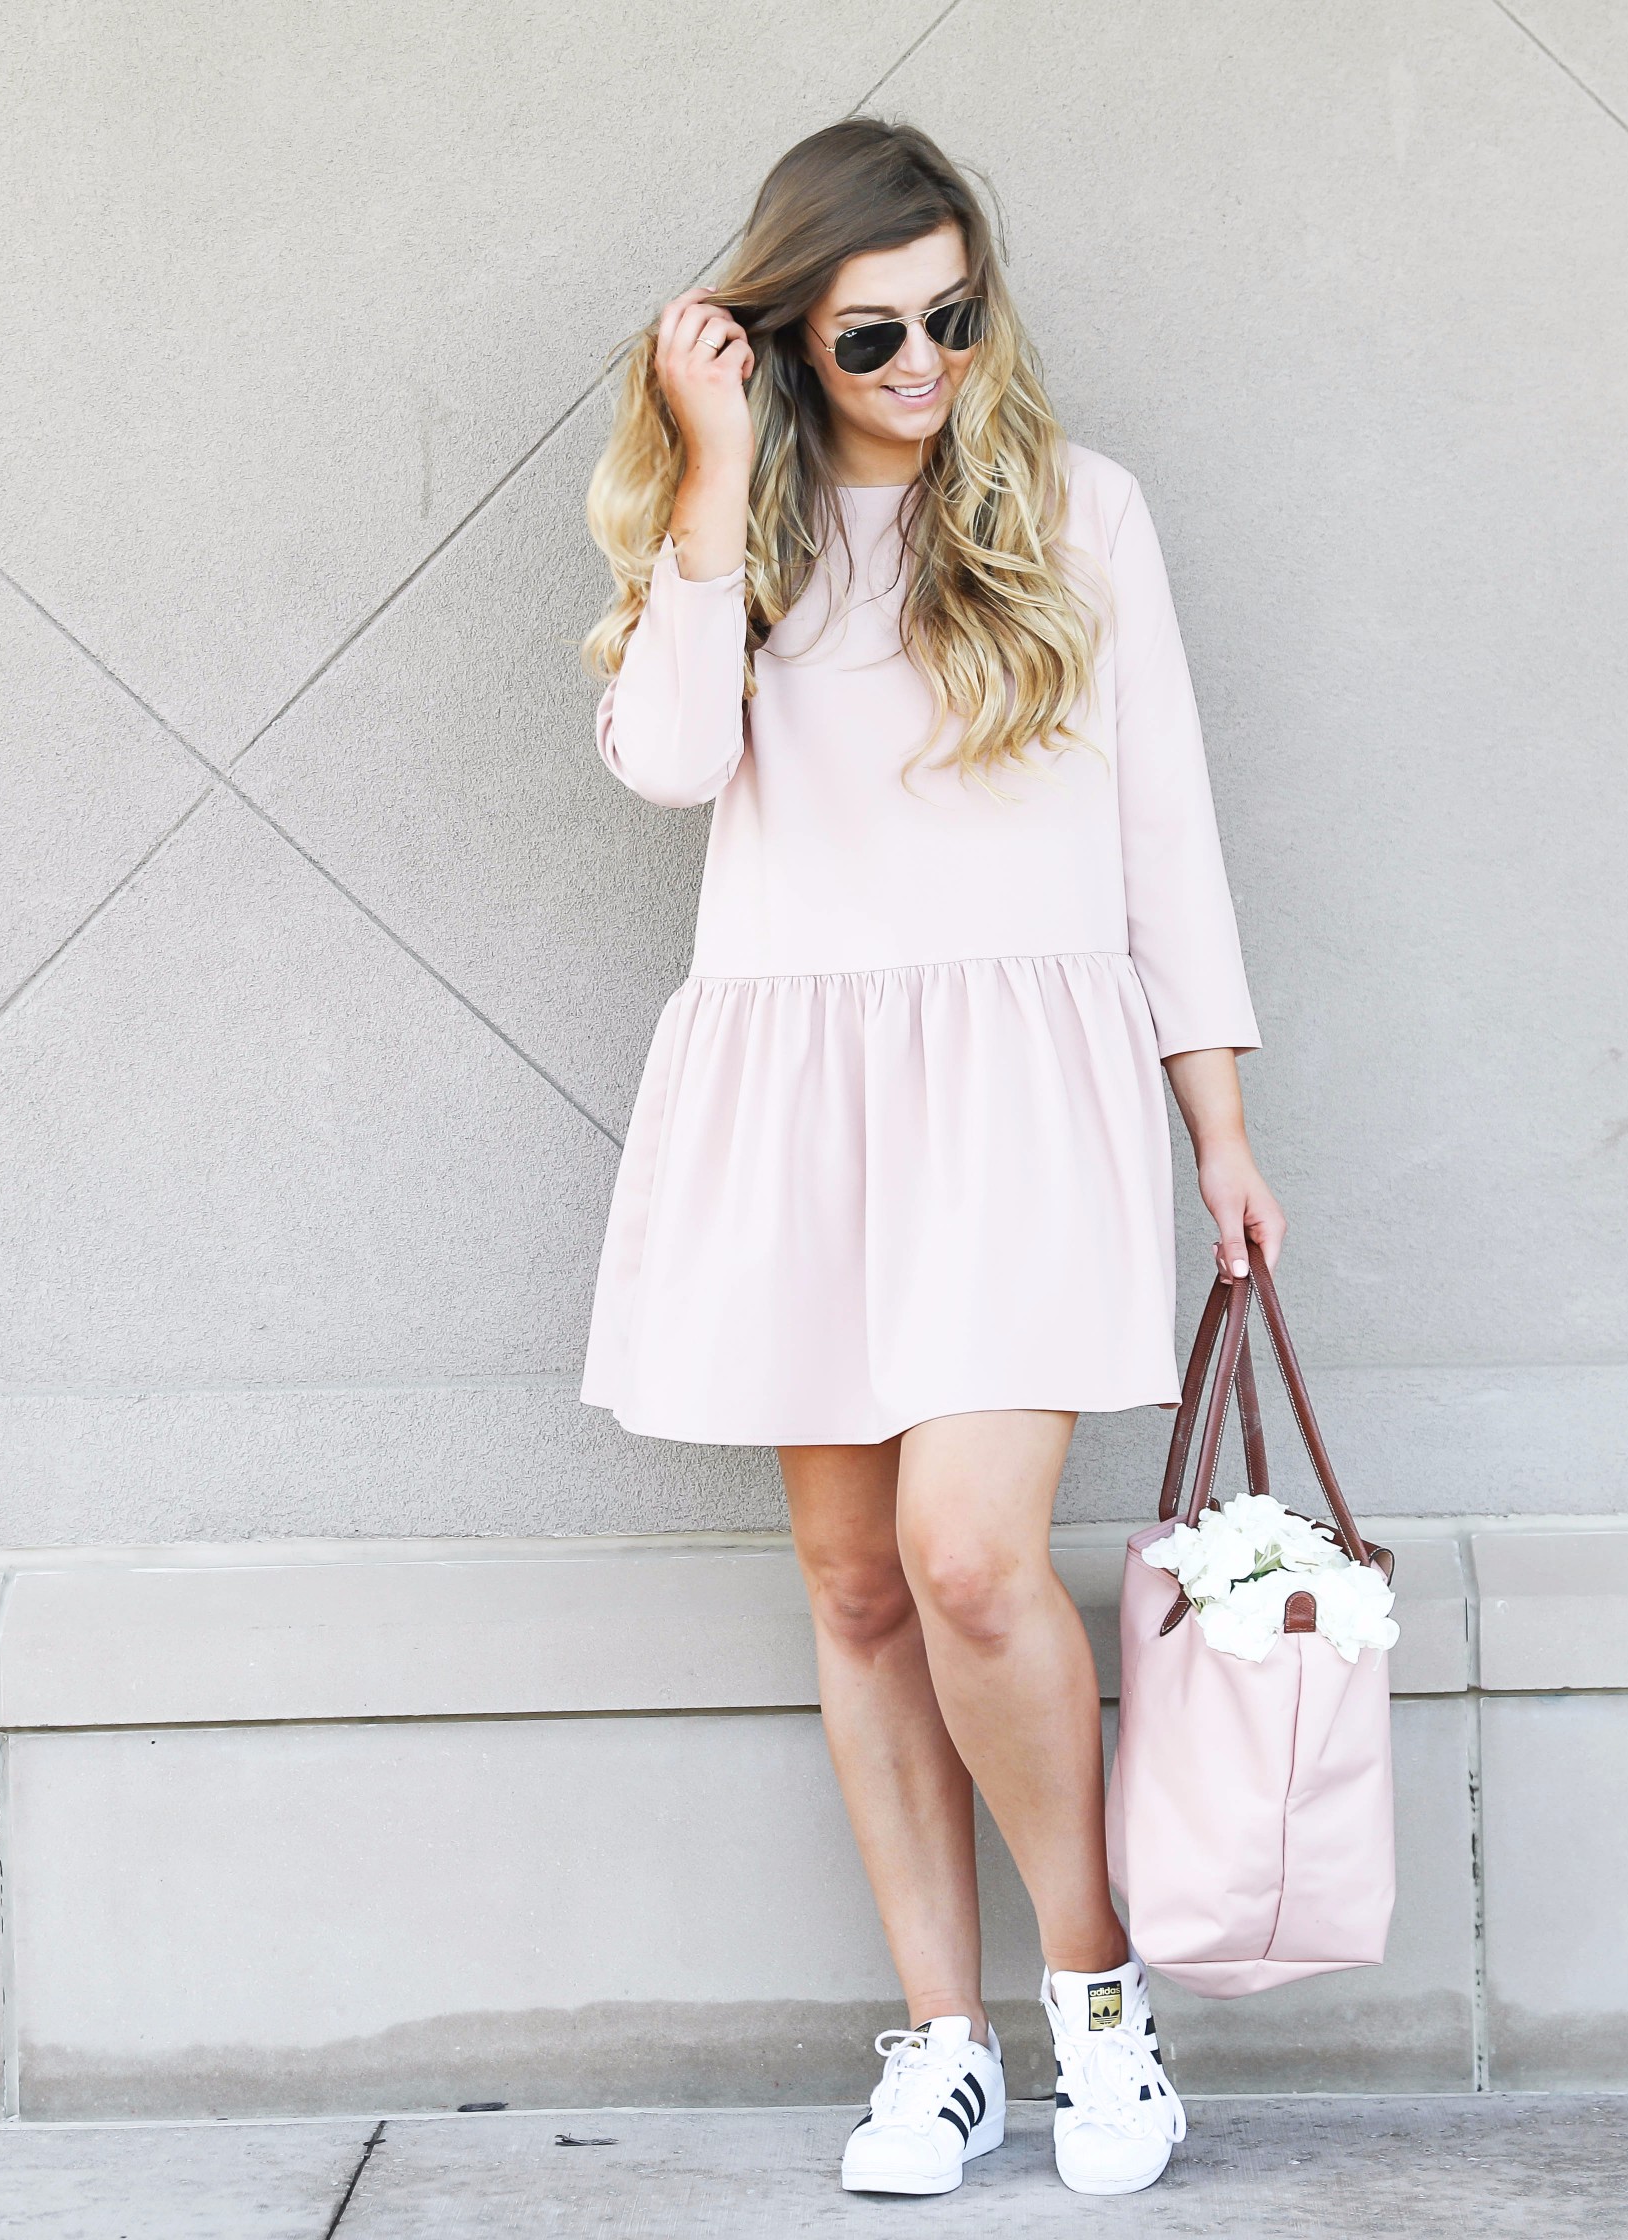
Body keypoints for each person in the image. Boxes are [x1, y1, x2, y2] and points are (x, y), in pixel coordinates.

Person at [576, 117, 1276, 2200]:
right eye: (872, 327)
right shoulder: (739, 546)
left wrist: (1219, 1124)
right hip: (802, 1092)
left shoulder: (1079, 511)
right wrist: (710, 481)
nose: (922, 359)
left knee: (976, 1554)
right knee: (861, 1583)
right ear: (791, 328)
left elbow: (1170, 838)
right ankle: (942, 2042)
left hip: (1023, 1087)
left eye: (956, 316)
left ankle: (1095, 2006)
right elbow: (672, 762)